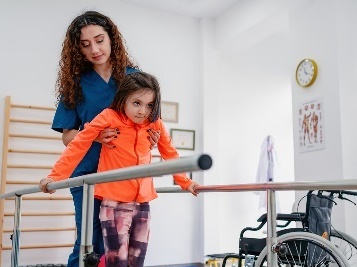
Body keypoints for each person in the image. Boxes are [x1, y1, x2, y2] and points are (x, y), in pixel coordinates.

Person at [40, 71, 199, 266]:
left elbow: (171, 154)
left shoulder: (154, 124)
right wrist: (55, 176)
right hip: (114, 203)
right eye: (136, 103)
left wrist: (186, 182)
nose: (142, 111)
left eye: (149, 105)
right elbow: (78, 144)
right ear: (123, 99)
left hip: (142, 203)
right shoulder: (109, 117)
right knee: (117, 262)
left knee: (136, 261)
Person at [50, 11, 160, 267]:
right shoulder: (75, 84)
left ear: (112, 38)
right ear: (78, 50)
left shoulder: (133, 78)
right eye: (85, 45)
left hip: (124, 176)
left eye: (99, 40)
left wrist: (151, 137)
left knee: (120, 248)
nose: (95, 49)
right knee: (88, 243)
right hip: (87, 174)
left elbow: (148, 121)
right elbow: (68, 137)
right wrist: (94, 136)